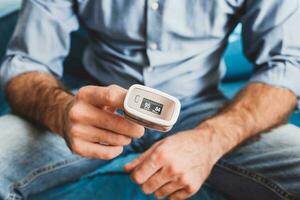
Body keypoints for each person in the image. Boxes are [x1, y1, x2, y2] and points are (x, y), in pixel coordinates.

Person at [0, 0, 300, 199]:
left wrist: (212, 140)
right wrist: (61, 110)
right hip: (96, 108)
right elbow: (25, 62)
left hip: (205, 113)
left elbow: (287, 65)